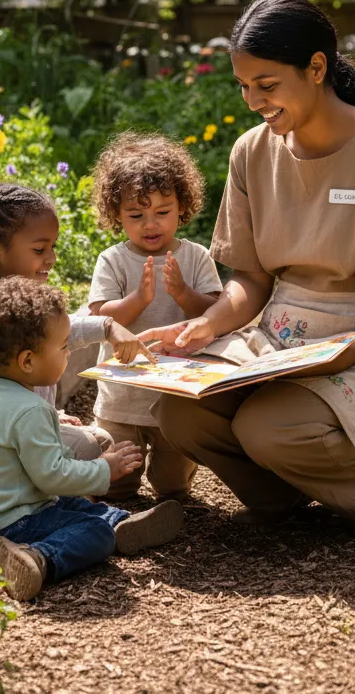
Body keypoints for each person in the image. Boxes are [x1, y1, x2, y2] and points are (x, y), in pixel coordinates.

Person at [144, 0, 355, 537]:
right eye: (243, 86)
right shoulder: (250, 152)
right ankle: (284, 497)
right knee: (180, 414)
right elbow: (253, 280)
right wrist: (206, 325)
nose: (252, 101)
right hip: (283, 340)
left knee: (268, 429)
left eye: (266, 85)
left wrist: (340, 354)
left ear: (316, 68)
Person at [0, 183, 151, 541]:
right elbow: (55, 334)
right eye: (39, 249)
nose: (51, 258)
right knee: (91, 452)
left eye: (53, 247)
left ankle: (9, 510)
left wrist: (50, 415)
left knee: (99, 444)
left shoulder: (1, 299)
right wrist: (107, 326)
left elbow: (14, 385)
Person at [0, 278, 183, 601]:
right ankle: (36, 559)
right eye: (63, 347)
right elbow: (53, 476)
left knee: (71, 504)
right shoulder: (28, 410)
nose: (66, 353)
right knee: (95, 533)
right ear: (27, 361)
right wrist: (104, 470)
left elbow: (44, 471)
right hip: (2, 533)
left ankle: (124, 524)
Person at [88, 133, 222, 499]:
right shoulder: (113, 260)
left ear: (182, 206)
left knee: (172, 479)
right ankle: (118, 515)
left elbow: (214, 311)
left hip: (174, 393)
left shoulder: (195, 257)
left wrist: (182, 293)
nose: (151, 224)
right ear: (116, 215)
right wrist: (138, 298)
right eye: (136, 215)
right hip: (122, 394)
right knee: (119, 480)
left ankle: (170, 507)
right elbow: (102, 316)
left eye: (162, 212)